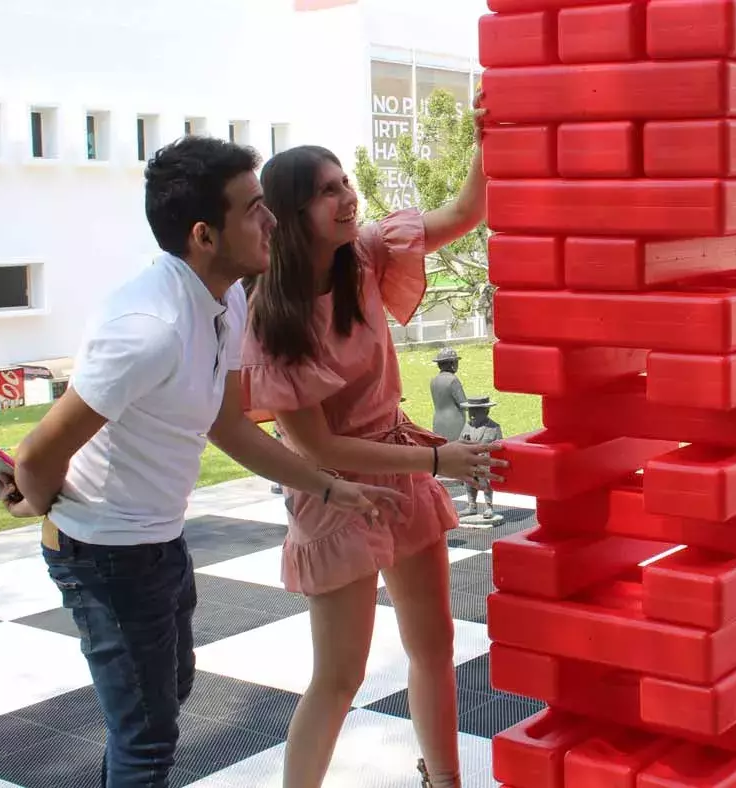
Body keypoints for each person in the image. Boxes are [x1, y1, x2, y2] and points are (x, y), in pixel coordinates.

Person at [0, 136, 405, 788]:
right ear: (203, 235)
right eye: (253, 210)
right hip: (102, 551)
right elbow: (40, 451)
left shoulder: (227, 299)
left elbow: (228, 426)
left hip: (158, 541)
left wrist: (328, 488)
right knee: (148, 738)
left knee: (160, 698)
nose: (272, 220)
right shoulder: (148, 327)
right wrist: (43, 502)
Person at [240, 114, 500, 787]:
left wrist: (485, 139)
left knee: (435, 643)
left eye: (346, 181)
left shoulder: (368, 252)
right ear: (294, 215)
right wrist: (437, 462)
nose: (347, 196)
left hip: (401, 468)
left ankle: (444, 779)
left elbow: (467, 211)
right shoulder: (273, 318)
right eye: (328, 190)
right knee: (339, 676)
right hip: (332, 494)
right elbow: (319, 446)